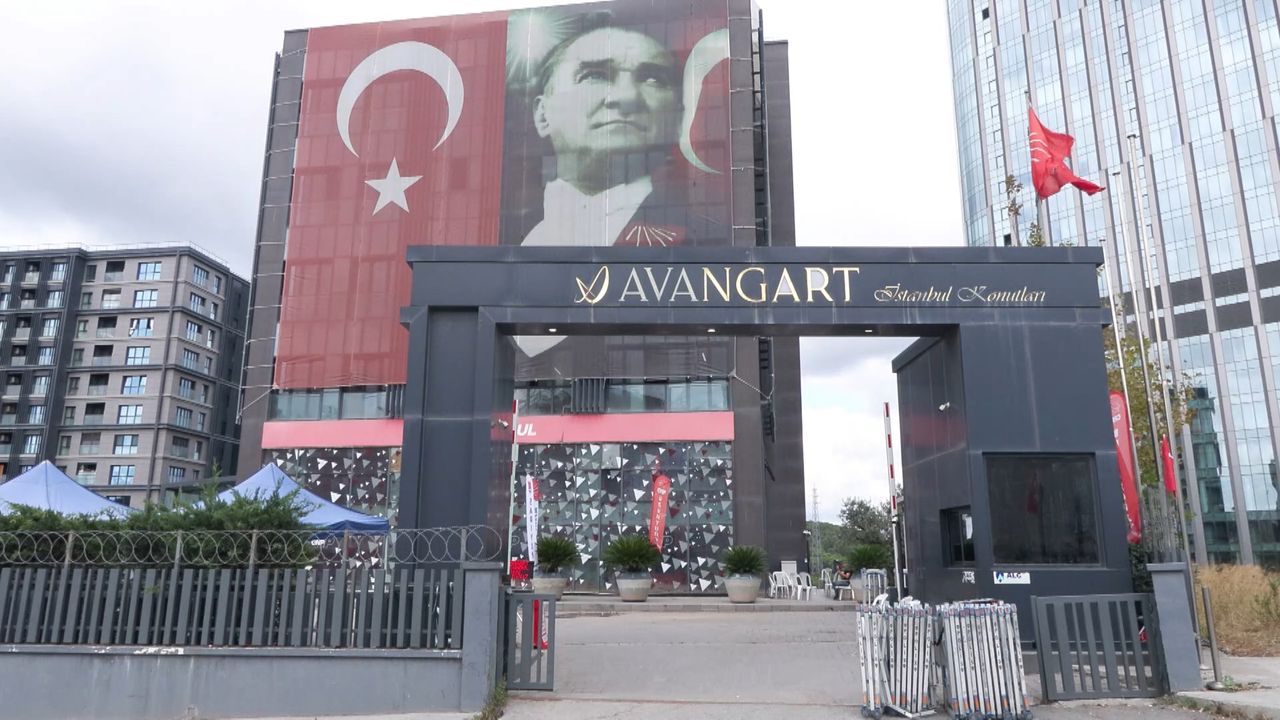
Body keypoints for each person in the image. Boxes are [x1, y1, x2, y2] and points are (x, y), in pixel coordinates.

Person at [520, 20, 722, 249]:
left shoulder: (708, 242)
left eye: (653, 80)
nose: (627, 97)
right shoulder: (510, 235)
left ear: (678, 119)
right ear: (543, 115)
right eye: (594, 75)